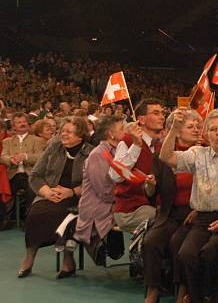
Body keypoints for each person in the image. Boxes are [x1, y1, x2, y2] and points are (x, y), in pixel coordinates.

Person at [160, 108, 218, 303]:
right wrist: (174, 130)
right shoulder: (198, 154)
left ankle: (202, 302)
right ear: (206, 134)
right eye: (213, 129)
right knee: (186, 253)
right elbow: (166, 156)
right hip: (203, 218)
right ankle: (200, 300)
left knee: (209, 253)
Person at [137, 109, 201, 303]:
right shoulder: (163, 155)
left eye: (197, 126)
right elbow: (150, 194)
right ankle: (153, 291)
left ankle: (183, 293)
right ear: (178, 131)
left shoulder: (204, 153)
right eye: (190, 126)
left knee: (177, 244)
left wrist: (197, 210)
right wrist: (149, 185)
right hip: (169, 212)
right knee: (151, 242)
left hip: (194, 213)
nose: (196, 130)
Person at [18, 117, 94, 278]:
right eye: (62, 131)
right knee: (35, 213)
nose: (63, 134)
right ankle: (29, 258)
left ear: (80, 136)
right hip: (51, 194)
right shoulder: (54, 146)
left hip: (78, 197)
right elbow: (36, 175)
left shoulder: (91, 152)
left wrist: (72, 192)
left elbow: (94, 183)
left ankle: (68, 260)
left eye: (69, 132)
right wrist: (47, 192)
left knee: (65, 214)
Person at [110, 98, 165, 233]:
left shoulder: (159, 146)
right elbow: (115, 175)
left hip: (152, 206)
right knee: (166, 221)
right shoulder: (128, 141)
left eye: (162, 113)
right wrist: (136, 146)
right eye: (156, 113)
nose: (162, 117)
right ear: (141, 119)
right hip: (130, 210)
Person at [74, 116, 125, 258]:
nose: (126, 132)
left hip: (116, 200)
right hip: (99, 204)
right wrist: (122, 200)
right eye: (122, 129)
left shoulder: (120, 151)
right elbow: (104, 191)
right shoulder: (98, 155)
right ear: (111, 134)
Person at [0, 112, 47, 226]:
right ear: (14, 126)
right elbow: (2, 157)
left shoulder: (38, 140)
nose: (22, 124)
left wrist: (25, 157)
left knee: (33, 189)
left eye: (24, 122)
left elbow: (41, 158)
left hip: (31, 174)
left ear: (28, 123)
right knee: (3, 188)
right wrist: (11, 159)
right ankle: (5, 219)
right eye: (19, 122)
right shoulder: (7, 141)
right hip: (13, 174)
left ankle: (28, 219)